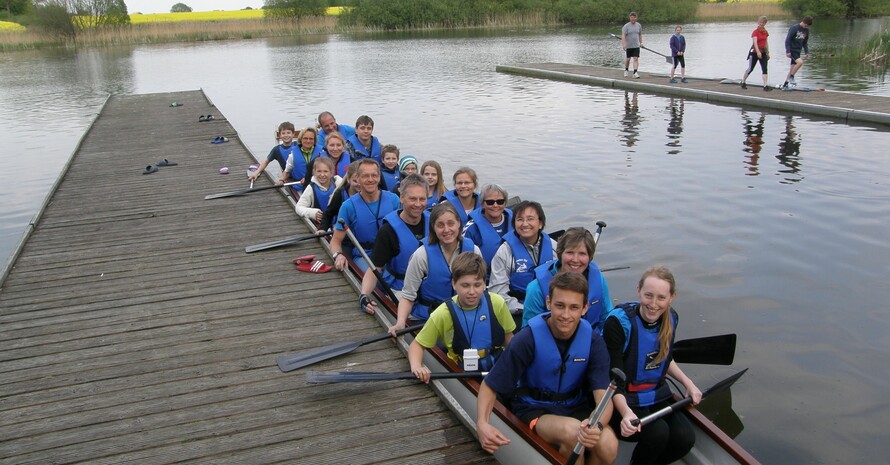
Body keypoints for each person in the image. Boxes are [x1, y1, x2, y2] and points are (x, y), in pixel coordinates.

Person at [475, 272, 618, 464]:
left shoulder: (593, 341)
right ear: (549, 303)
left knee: (608, 443)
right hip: (534, 408)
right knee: (573, 433)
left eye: (574, 307)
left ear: (584, 308)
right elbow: (490, 385)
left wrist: (597, 425)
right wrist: (482, 424)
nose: (566, 315)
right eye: (560, 306)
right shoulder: (526, 339)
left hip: (574, 406)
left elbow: (603, 398)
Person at [603, 266, 701, 465]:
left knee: (685, 438)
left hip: (654, 394)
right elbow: (612, 378)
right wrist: (626, 413)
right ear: (638, 290)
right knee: (658, 433)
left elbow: (664, 358)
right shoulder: (618, 324)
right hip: (619, 399)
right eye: (648, 295)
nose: (654, 304)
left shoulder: (671, 318)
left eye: (661, 298)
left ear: (672, 297)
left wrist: (688, 383)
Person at [408, 253, 516, 382]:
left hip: (496, 365)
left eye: (477, 285)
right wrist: (416, 366)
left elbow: (509, 339)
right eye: (465, 285)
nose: (471, 292)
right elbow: (417, 345)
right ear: (454, 284)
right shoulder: (443, 313)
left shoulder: (497, 303)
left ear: (484, 283)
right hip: (463, 370)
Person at [388, 202, 481, 335]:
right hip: (427, 318)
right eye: (440, 225)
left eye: (451, 223)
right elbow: (408, 295)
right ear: (433, 227)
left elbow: (480, 289)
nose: (446, 230)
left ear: (459, 223)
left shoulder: (474, 251)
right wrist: (400, 322)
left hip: (463, 316)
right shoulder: (421, 255)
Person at [359, 175, 429, 315]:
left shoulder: (434, 223)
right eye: (412, 199)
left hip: (429, 288)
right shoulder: (388, 231)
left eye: (422, 199)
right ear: (401, 198)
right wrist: (364, 295)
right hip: (400, 289)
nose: (418, 204)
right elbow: (375, 268)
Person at [521, 227, 612, 332]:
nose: (575, 260)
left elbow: (606, 319)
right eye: (570, 253)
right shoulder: (536, 288)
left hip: (590, 341)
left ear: (589, 257)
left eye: (582, 254)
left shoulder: (598, 279)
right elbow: (528, 330)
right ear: (560, 253)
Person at [328, 158, 401, 273]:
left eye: (374, 175)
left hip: (391, 252)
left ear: (379, 177)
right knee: (377, 280)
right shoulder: (348, 206)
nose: (370, 180)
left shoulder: (394, 200)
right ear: (358, 178)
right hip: (365, 256)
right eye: (365, 176)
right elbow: (336, 241)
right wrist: (338, 255)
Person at [489, 201, 557, 322]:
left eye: (530, 219)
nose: (525, 224)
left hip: (551, 309)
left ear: (540, 223)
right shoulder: (505, 252)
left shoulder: (553, 247)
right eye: (519, 219)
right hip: (518, 311)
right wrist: (527, 309)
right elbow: (497, 293)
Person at [463, 184, 513, 278]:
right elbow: (464, 261)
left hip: (512, 277)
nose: (495, 205)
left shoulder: (515, 222)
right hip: (485, 279)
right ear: (482, 204)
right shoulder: (471, 228)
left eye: (500, 201)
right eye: (490, 202)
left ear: (505, 203)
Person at [295, 156, 343, 225]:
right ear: (314, 172)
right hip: (321, 224)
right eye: (319, 171)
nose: (322, 175)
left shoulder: (338, 183)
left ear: (331, 172)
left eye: (325, 171)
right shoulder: (311, 188)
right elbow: (299, 207)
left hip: (338, 223)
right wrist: (312, 213)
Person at [279, 126, 323, 195]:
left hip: (319, 185)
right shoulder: (293, 154)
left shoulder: (322, 152)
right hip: (300, 187)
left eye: (311, 139)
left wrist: (309, 178)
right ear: (301, 139)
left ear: (314, 140)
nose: (308, 141)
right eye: (305, 138)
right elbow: (287, 172)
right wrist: (281, 180)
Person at [319, 160, 361, 231]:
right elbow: (328, 214)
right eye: (355, 181)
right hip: (344, 234)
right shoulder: (340, 194)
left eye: (361, 180)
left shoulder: (372, 194)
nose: (359, 184)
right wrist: (322, 229)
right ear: (348, 179)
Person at [740, 16, 772, 91]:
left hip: (763, 52)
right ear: (758, 22)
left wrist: (767, 52)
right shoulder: (755, 32)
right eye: (760, 22)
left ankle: (765, 86)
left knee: (765, 69)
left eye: (763, 23)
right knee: (750, 68)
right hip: (754, 52)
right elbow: (755, 42)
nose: (762, 24)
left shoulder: (765, 32)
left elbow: (766, 42)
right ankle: (743, 81)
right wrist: (758, 52)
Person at [782, 16, 813, 90]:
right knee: (800, 62)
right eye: (806, 25)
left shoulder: (806, 31)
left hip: (798, 51)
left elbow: (805, 43)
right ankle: (791, 77)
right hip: (792, 50)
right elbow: (787, 40)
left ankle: (785, 85)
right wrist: (788, 51)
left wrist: (806, 52)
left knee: (792, 68)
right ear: (803, 22)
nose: (806, 26)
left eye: (807, 26)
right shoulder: (794, 28)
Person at [622, 12, 643, 79]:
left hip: (636, 46)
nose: (633, 19)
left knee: (636, 58)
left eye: (634, 17)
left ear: (636, 18)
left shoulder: (639, 25)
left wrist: (641, 42)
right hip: (629, 46)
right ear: (630, 18)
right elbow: (623, 36)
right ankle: (626, 70)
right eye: (631, 17)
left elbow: (640, 34)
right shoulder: (626, 26)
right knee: (628, 59)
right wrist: (624, 44)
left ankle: (635, 72)